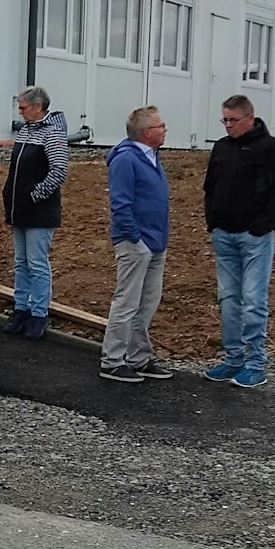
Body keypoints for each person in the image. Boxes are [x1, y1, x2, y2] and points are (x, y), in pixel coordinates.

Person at [204, 95, 275, 389]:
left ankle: (255, 363)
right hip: (224, 235)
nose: (228, 126)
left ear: (249, 118)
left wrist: (261, 226)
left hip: (254, 237)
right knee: (228, 300)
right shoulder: (221, 148)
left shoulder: (269, 148)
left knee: (254, 301)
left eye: (233, 120)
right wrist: (213, 222)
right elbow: (211, 185)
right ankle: (233, 359)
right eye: (224, 120)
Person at [101, 106, 175, 382]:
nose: (165, 130)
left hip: (155, 242)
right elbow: (121, 203)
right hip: (137, 242)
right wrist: (135, 238)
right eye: (161, 126)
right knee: (127, 301)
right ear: (147, 133)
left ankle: (138, 356)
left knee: (147, 303)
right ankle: (112, 360)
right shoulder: (127, 160)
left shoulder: (151, 157)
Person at [2, 85, 68, 340]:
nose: (20, 112)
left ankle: (39, 313)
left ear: (38, 107)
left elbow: (59, 170)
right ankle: (21, 308)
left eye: (23, 108)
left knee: (37, 262)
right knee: (21, 262)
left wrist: (35, 195)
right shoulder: (26, 132)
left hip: (38, 211)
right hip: (20, 208)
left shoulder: (53, 134)